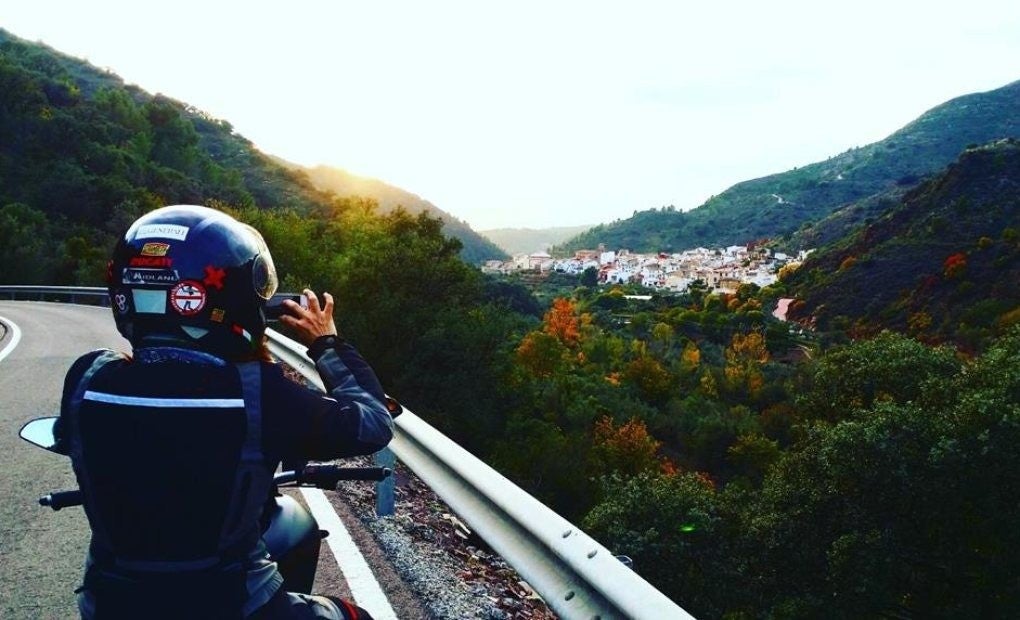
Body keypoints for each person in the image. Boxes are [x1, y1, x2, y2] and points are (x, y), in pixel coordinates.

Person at [54, 205, 393, 619]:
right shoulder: (258, 394)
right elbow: (372, 422)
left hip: (112, 604)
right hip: (234, 605)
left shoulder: (88, 380)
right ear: (231, 299)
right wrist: (327, 343)